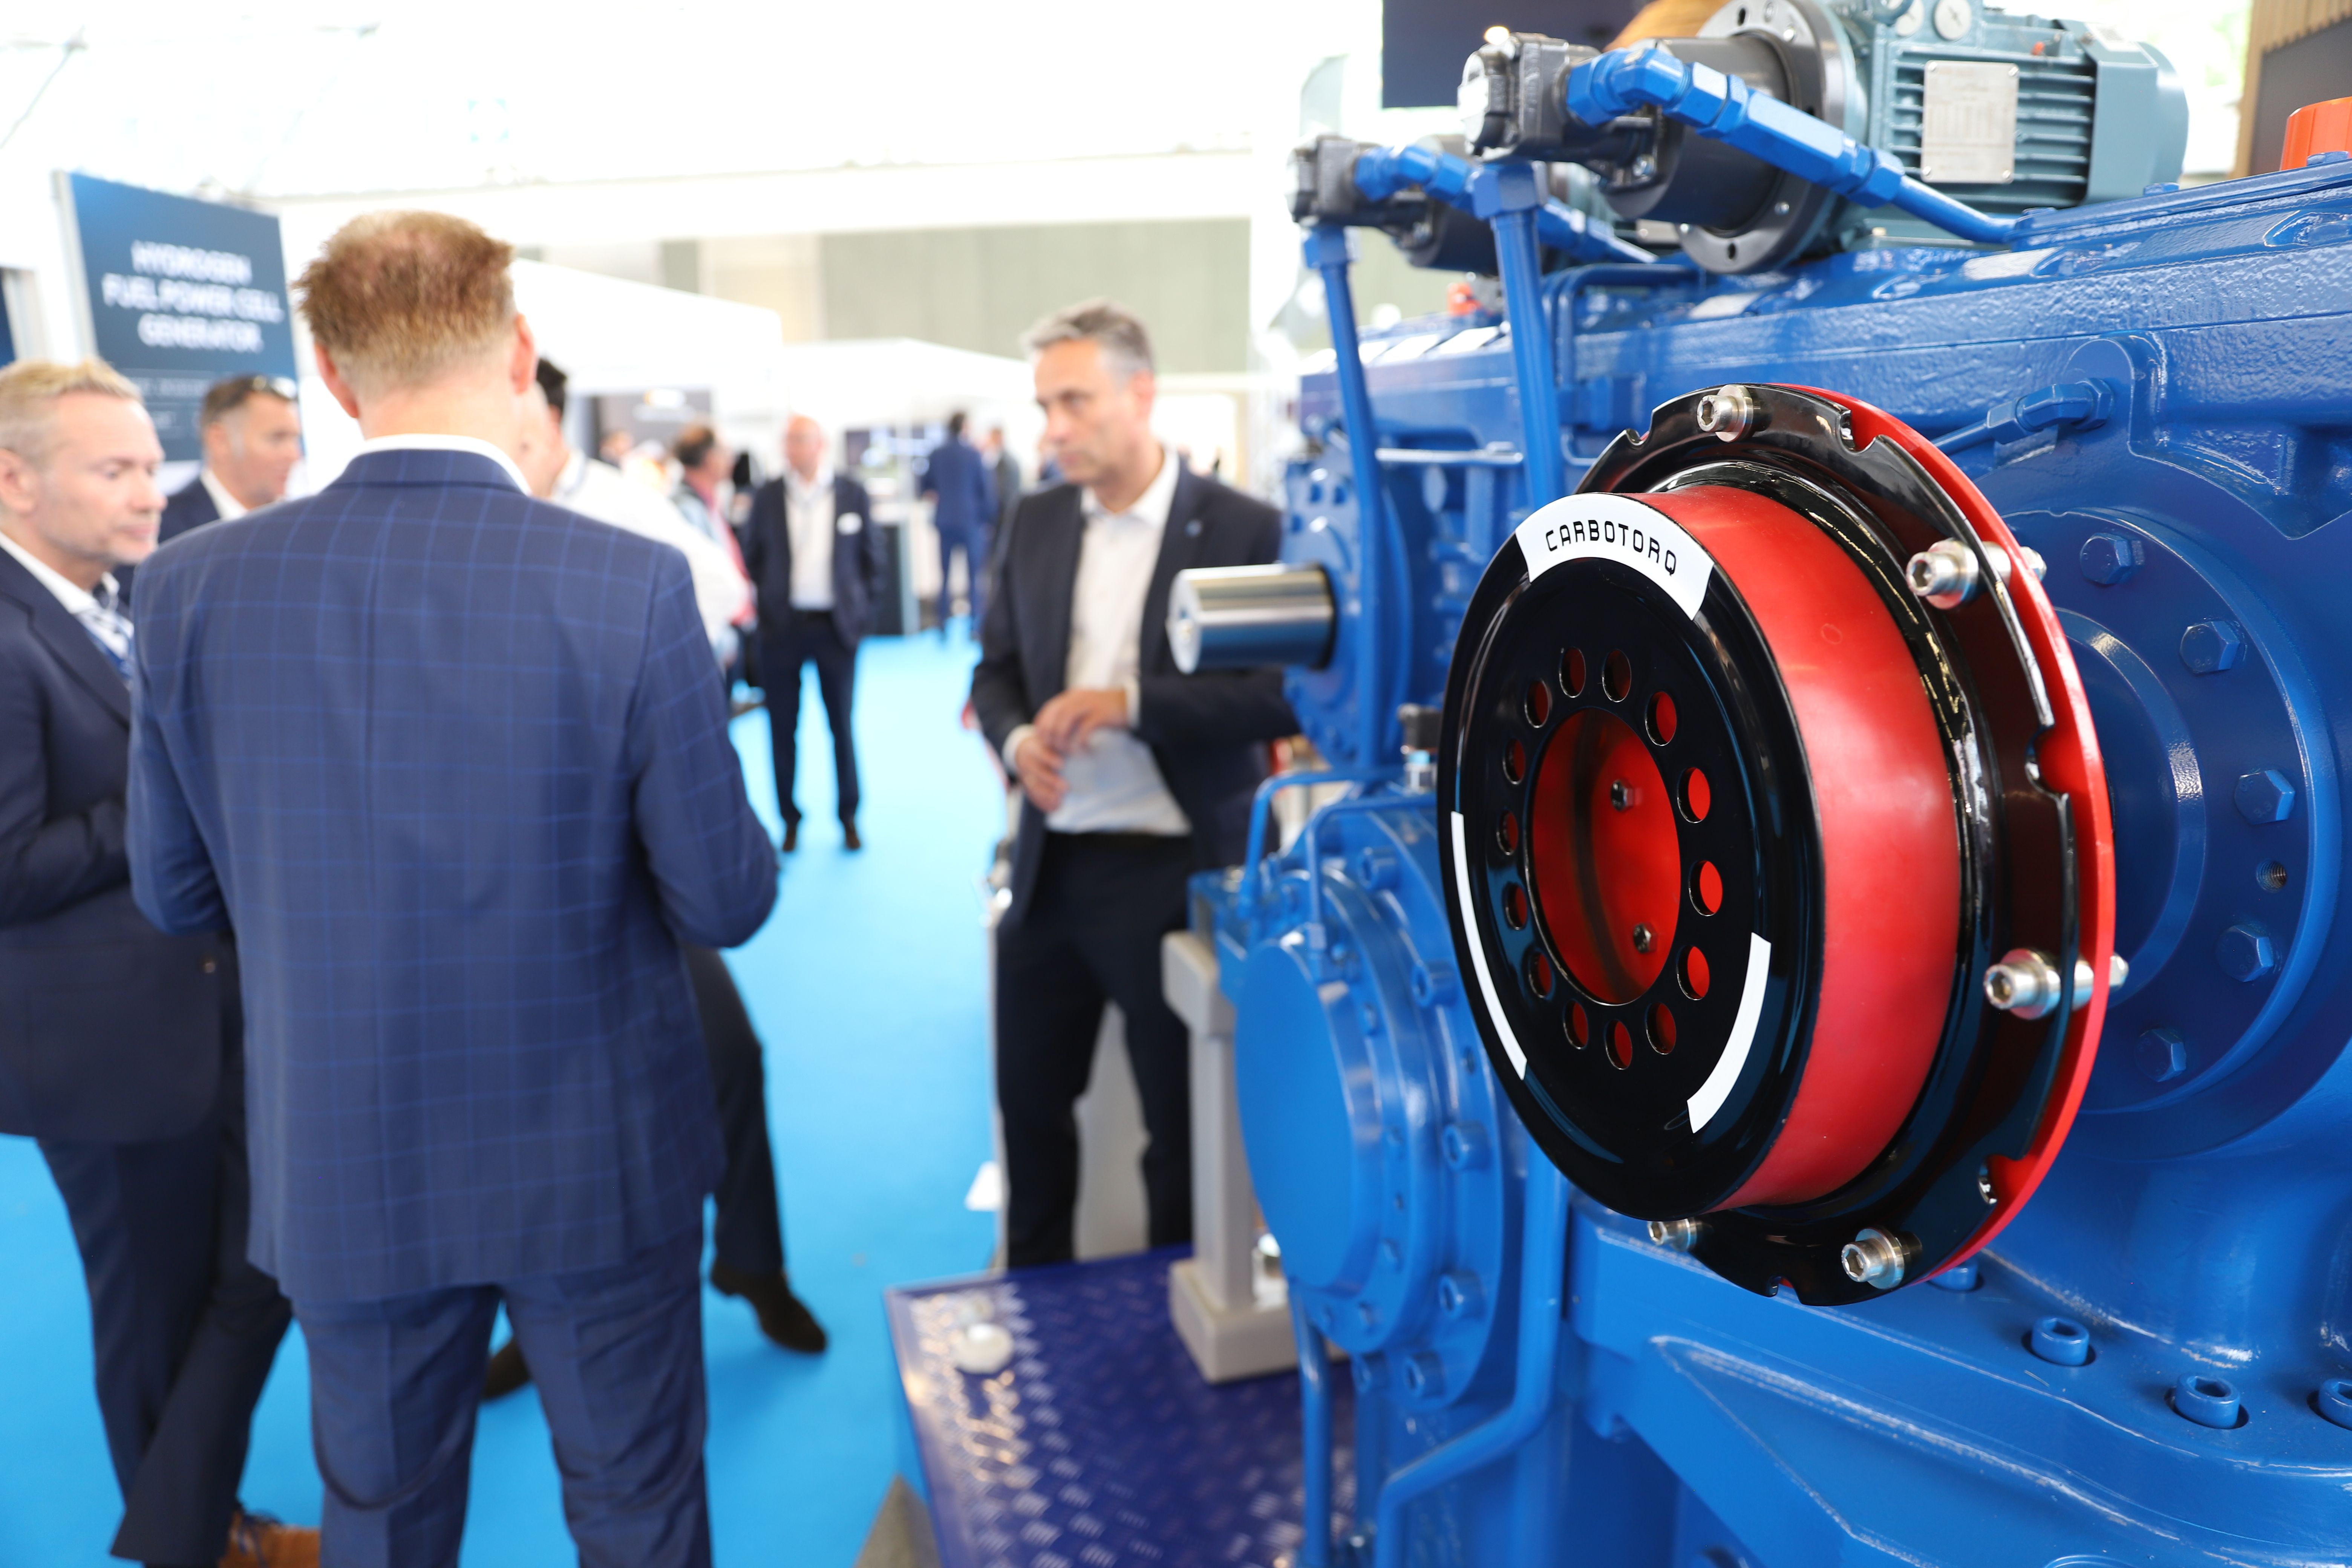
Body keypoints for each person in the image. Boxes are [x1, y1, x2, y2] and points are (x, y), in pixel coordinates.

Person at [126, 211, 777, 1568]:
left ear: (334, 372)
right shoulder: (629, 585)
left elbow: (177, 895)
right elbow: (724, 900)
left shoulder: (188, 592)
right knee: (640, 1509)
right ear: (520, 352)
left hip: (346, 1151)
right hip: (597, 1150)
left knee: (381, 1520)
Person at [0, 359, 305, 1568]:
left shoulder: (111, 596)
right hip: (106, 1050)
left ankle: (188, 1524)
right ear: (14, 482)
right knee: (155, 1309)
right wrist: (177, 777)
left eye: (150, 466)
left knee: (250, 1271)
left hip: (199, 1011)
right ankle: (199, 1538)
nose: (147, 493)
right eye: (114, 469)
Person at [485, 360, 824, 1404]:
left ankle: (754, 1263)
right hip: (494, 883)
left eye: (524, 422)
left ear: (547, 416)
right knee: (505, 1101)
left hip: (636, 860)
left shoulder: (623, 512)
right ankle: (527, 1321)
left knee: (730, 1055)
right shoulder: (448, 527)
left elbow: (723, 603)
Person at [969, 300, 1296, 1269]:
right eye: (1043, 405)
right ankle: (1029, 1307)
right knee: (1030, 1114)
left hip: (1176, 874)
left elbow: (1281, 699)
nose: (1053, 428)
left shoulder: (1245, 527)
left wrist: (1131, 702)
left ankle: (1175, 1334)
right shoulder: (1032, 520)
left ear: (1140, 393)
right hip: (1050, 865)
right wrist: (1020, 733)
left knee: (1181, 1133)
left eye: (1073, 401)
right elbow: (991, 672)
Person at [740, 414, 882, 853]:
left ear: (820, 445)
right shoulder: (765, 497)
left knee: (842, 723)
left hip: (835, 628)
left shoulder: (851, 492)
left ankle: (849, 816)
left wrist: (860, 615)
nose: (793, 449)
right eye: (788, 442)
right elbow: (752, 555)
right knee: (782, 727)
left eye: (801, 441)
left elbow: (873, 559)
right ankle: (789, 819)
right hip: (782, 628)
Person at [160, 375, 303, 544]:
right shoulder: (162, 529)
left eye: (295, 439)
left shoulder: (300, 524)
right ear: (220, 440)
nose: (294, 456)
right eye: (277, 438)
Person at [920, 410, 995, 631]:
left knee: (944, 576)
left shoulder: (937, 454)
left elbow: (925, 486)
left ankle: (942, 621)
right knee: (974, 577)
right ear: (964, 427)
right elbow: (985, 491)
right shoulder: (974, 454)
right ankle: (974, 625)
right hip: (971, 523)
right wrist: (989, 519)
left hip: (945, 522)